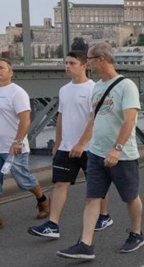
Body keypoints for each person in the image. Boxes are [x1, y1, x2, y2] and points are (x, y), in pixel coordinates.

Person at [57, 42, 144, 260]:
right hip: (96, 153)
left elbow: (129, 120)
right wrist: (84, 143)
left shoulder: (127, 86)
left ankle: (136, 233)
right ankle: (85, 244)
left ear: (101, 59)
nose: (87, 63)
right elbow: (93, 118)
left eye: (90, 59)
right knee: (92, 198)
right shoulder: (96, 87)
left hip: (122, 155)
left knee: (130, 197)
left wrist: (117, 148)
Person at [29, 51, 112, 239]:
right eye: (65, 62)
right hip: (67, 146)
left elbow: (95, 119)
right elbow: (61, 117)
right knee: (60, 184)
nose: (67, 66)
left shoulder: (94, 89)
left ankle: (104, 216)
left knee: (96, 184)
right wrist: (58, 144)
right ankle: (53, 225)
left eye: (72, 63)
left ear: (84, 65)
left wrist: (81, 143)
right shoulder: (64, 90)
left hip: (91, 147)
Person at [0, 59, 51, 234]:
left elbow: (25, 118)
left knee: (22, 178)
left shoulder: (17, 92)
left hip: (13, 146)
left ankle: (43, 199)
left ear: (10, 72)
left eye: (1, 68)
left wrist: (18, 141)